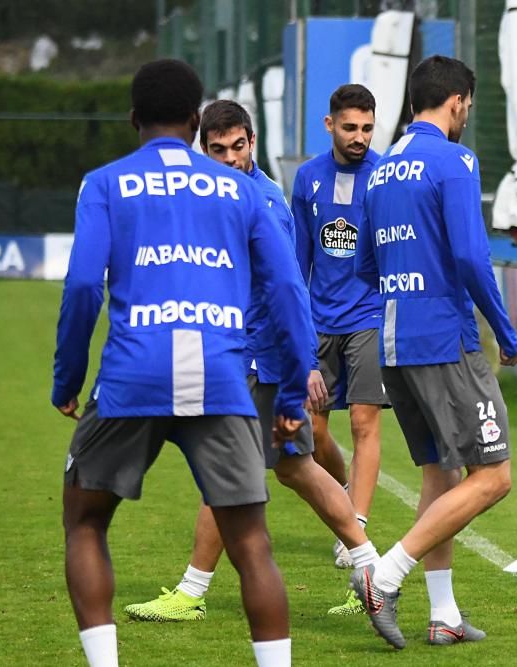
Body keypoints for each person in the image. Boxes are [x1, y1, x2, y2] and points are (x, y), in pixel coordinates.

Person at [53, 60, 314, 667]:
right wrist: (296, 397)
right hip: (225, 378)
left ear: (134, 120)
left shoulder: (105, 183)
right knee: (252, 545)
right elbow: (287, 292)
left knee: (85, 523)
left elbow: (84, 286)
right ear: (197, 123)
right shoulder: (243, 190)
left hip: (130, 378)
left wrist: (67, 380)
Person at [122, 99, 380, 624]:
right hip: (241, 355)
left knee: (227, 471)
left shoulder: (260, 200)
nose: (230, 158)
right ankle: (375, 572)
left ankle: (191, 593)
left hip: (261, 360)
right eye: (218, 150)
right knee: (295, 468)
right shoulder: (213, 194)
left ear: (252, 143)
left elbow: (287, 286)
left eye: (238, 147)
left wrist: (302, 361)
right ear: (204, 148)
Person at [351, 55, 517, 649]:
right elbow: (473, 259)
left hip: (393, 340)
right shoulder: (454, 161)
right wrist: (504, 329)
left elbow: (364, 266)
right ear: (456, 102)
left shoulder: (377, 172)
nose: (466, 116)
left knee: (442, 475)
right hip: (444, 340)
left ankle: (443, 614)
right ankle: (385, 575)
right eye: (468, 107)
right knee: (494, 476)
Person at [291, 85, 387, 612]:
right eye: (350, 128)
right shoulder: (307, 179)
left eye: (367, 128)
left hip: (370, 315)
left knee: (365, 422)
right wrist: (299, 326)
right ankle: (347, 492)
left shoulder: (384, 175)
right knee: (316, 431)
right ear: (330, 125)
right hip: (318, 319)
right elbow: (297, 258)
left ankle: (357, 527)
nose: (359, 138)